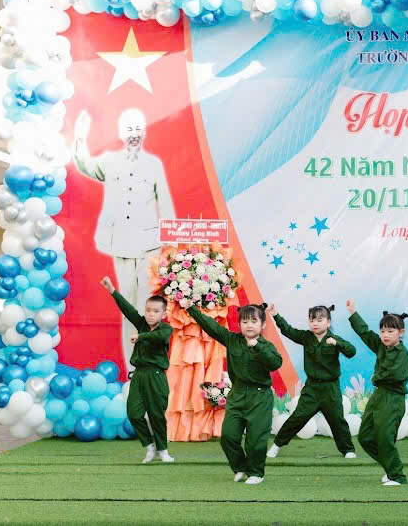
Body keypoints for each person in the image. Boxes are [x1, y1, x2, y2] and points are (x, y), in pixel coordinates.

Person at [75, 108, 175, 375]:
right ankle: (133, 366)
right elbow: (84, 164)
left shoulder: (153, 164)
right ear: (121, 133)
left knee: (149, 305)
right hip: (120, 243)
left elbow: (165, 201)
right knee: (127, 306)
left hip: (150, 244)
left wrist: (173, 243)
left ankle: (151, 361)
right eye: (129, 129)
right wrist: (80, 137)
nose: (134, 134)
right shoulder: (109, 161)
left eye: (138, 129)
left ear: (144, 132)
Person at [185, 302, 282, 485]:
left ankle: (256, 473)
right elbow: (211, 326)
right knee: (228, 436)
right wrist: (192, 309)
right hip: (237, 395)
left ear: (263, 324)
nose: (249, 325)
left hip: (260, 397)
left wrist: (257, 346)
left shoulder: (267, 345)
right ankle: (240, 467)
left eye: (254, 321)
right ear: (239, 324)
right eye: (245, 321)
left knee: (255, 440)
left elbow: (275, 363)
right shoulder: (232, 340)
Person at [266, 304, 357, 459]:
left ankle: (348, 450)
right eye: (312, 320)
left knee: (337, 420)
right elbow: (288, 330)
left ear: (328, 322)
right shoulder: (306, 337)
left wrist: (337, 344)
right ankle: (276, 445)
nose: (315, 323)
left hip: (330, 388)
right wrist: (275, 314)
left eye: (319, 320)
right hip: (312, 388)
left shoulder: (334, 339)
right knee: (297, 417)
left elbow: (351, 351)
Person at [101, 276, 173, 464]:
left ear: (163, 314)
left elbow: (159, 337)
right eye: (148, 310)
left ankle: (163, 450)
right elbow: (128, 310)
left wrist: (141, 337)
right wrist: (112, 291)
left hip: (156, 376)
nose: (151, 314)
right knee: (133, 413)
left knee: (157, 415)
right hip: (139, 374)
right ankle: (149, 447)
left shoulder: (166, 329)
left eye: (155, 311)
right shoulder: (141, 324)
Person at [346, 299, 408, 486]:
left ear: (401, 332)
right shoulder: (381, 346)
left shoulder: (403, 354)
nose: (385, 335)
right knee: (365, 437)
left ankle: (397, 476)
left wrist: (376, 378)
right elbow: (365, 333)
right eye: (382, 331)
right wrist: (353, 313)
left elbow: (396, 374)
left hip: (393, 399)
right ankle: (390, 469)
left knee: (384, 438)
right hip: (378, 397)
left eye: (390, 331)